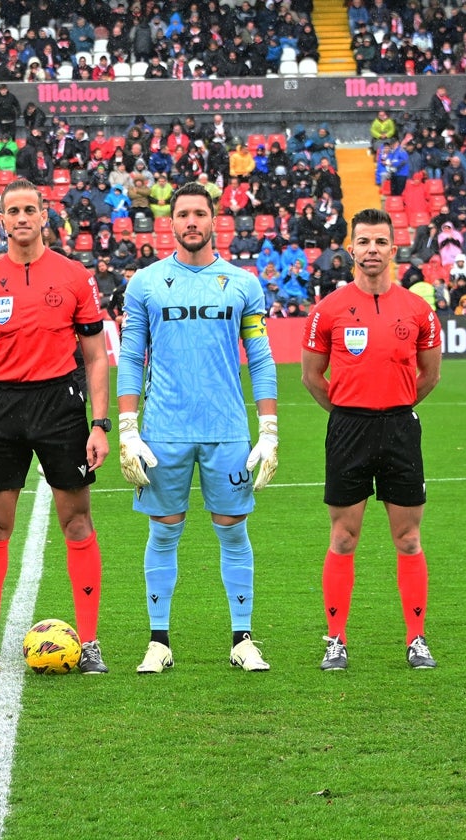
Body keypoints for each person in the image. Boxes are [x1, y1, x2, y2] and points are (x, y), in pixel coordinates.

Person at [0, 178, 111, 678]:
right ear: (0, 221)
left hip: (60, 402)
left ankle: (88, 644)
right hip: (0, 407)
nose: (21, 218)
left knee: (77, 522)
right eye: (12, 211)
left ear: (45, 216)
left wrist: (99, 424)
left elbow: (97, 355)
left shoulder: (74, 276)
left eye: (30, 210)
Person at [117, 181, 279, 675]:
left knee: (233, 531)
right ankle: (158, 642)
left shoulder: (243, 283)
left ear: (214, 221)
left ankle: (242, 639)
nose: (191, 222)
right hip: (163, 430)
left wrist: (268, 427)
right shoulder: (145, 282)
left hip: (227, 430)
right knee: (164, 531)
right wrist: (127, 426)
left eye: (199, 214)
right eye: (183, 214)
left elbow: (261, 356)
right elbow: (129, 355)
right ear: (171, 222)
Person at [300, 207, 443, 672]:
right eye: (364, 242)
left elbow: (430, 375)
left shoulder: (419, 310)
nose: (372, 250)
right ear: (351, 248)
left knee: (408, 538)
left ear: (393, 249)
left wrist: (394, 406)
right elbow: (312, 377)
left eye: (381, 242)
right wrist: (348, 412)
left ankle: (416, 639)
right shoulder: (329, 310)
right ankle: (335, 640)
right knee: (343, 537)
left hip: (401, 428)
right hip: (348, 428)